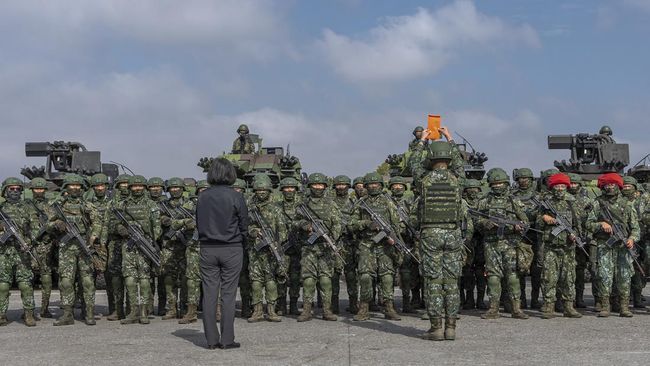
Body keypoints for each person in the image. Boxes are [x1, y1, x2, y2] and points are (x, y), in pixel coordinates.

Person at [197, 158, 248, 350]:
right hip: (231, 248)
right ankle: (227, 340)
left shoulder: (202, 196)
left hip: (207, 248)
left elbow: (198, 221)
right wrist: (241, 241)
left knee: (209, 294)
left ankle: (211, 340)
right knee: (228, 295)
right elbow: (244, 224)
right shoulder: (236, 196)